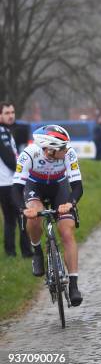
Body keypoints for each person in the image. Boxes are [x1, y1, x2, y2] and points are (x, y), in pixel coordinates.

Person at [13, 125, 84, 306]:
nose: (66, 150)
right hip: (34, 187)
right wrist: (23, 209)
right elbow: (16, 189)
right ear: (50, 150)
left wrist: (70, 203)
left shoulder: (69, 154)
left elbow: (77, 186)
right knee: (34, 217)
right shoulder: (29, 154)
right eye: (62, 148)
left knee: (67, 232)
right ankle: (37, 251)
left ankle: (74, 285)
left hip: (59, 188)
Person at [0, 102, 32, 257]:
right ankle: (23, 252)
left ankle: (12, 253)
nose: (11, 115)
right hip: (8, 183)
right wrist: (24, 170)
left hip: (9, 182)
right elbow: (8, 159)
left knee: (12, 220)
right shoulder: (1, 132)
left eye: (12, 112)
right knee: (20, 217)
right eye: (6, 113)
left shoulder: (6, 130)